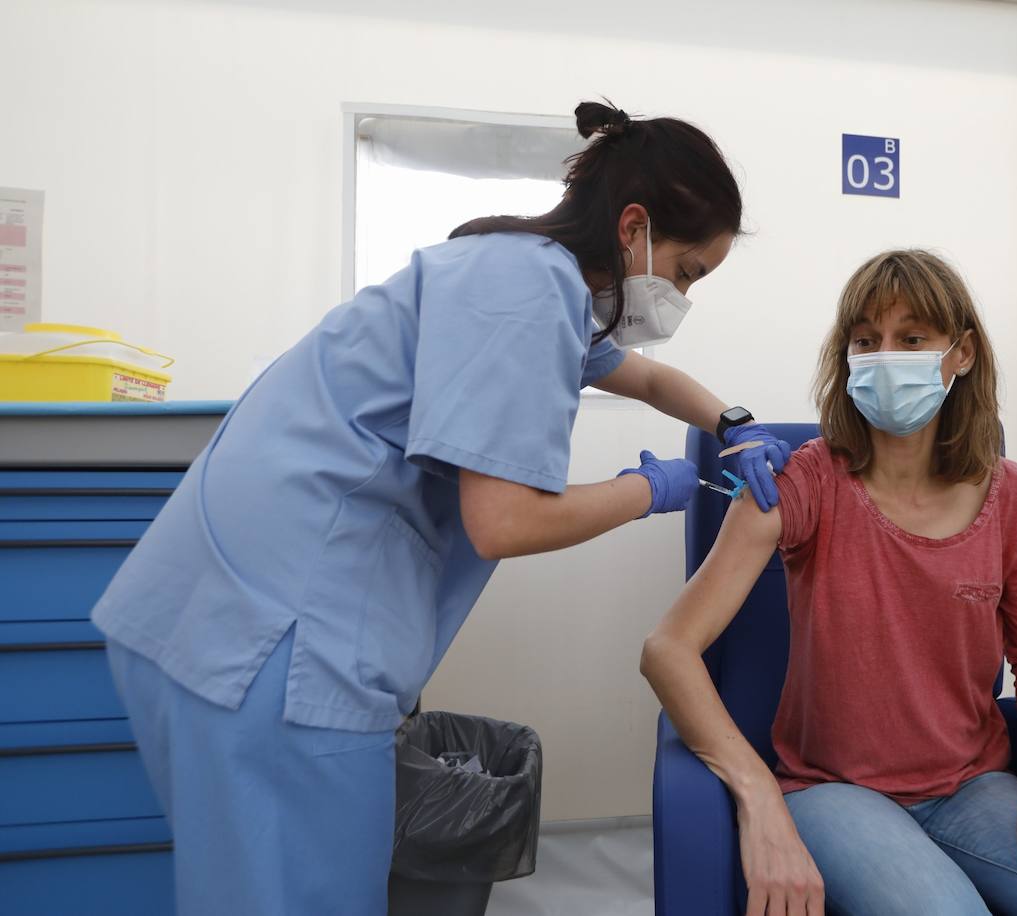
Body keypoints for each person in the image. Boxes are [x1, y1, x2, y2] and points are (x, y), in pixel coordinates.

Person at [91, 101, 792, 915]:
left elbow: (640, 377)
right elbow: (505, 522)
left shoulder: (521, 275)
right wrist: (657, 489)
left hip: (216, 622)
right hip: (274, 651)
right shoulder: (528, 292)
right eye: (685, 273)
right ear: (633, 227)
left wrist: (730, 424)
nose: (678, 296)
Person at [640, 250, 1017, 915]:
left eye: (911, 339)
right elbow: (668, 650)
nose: (884, 357)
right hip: (832, 790)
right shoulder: (800, 483)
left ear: (960, 353)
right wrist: (758, 798)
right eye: (866, 341)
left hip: (974, 786)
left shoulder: (1015, 498)